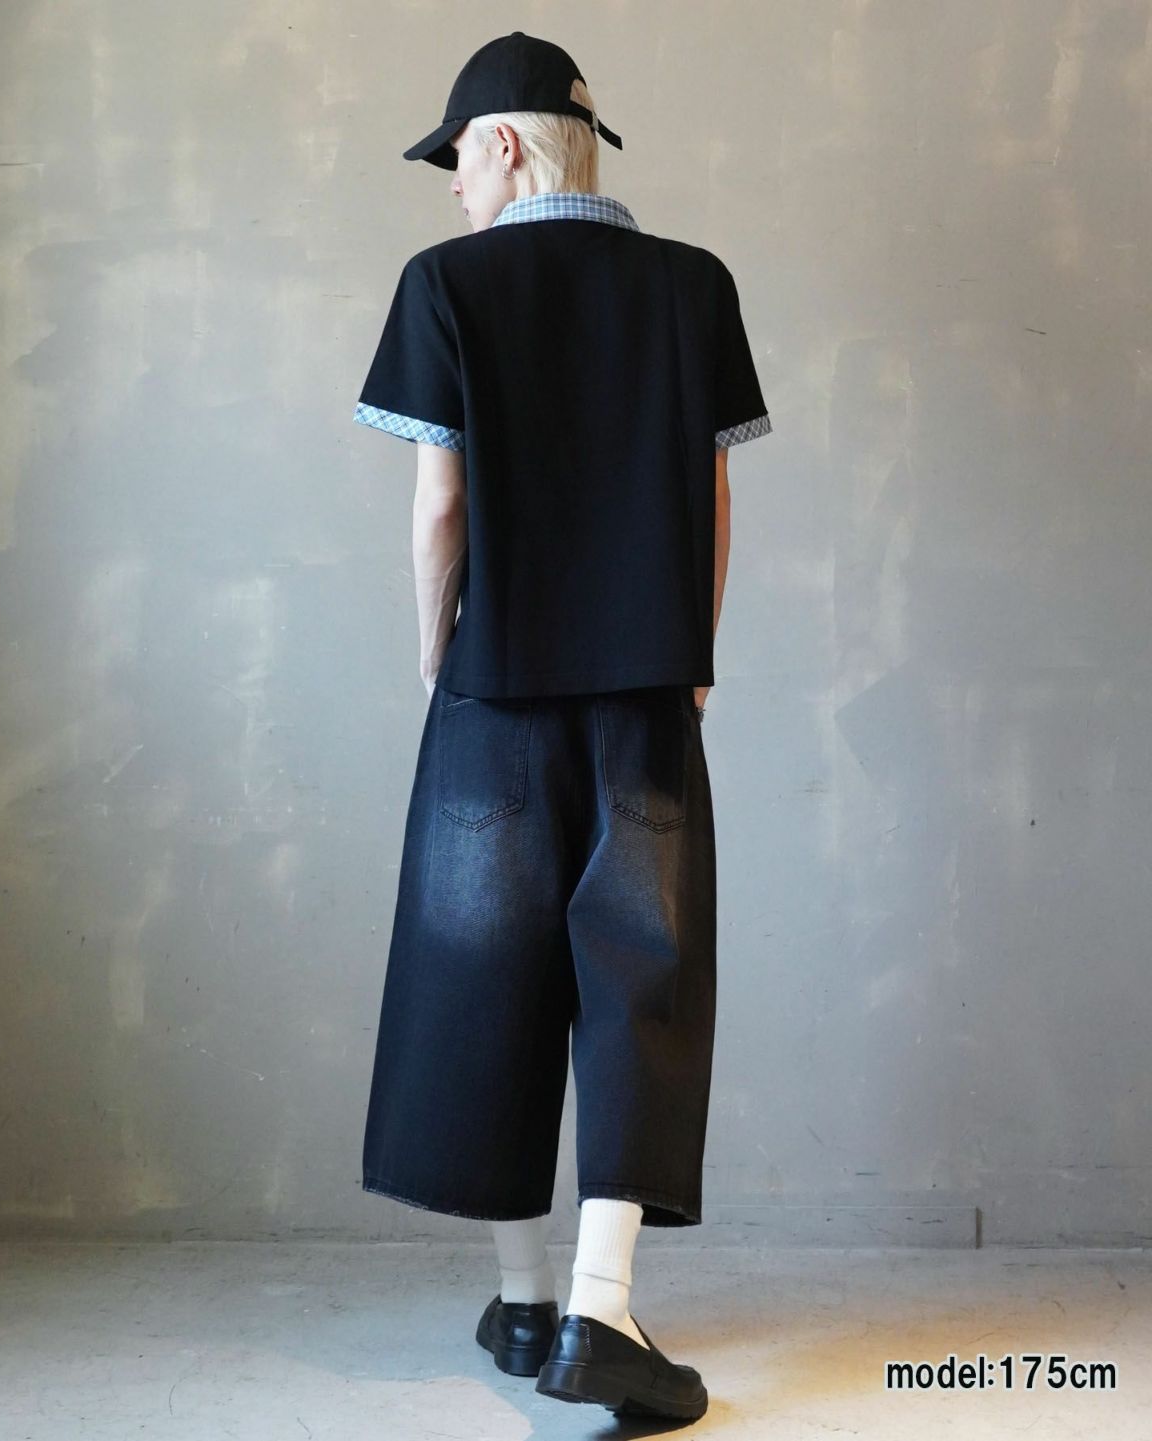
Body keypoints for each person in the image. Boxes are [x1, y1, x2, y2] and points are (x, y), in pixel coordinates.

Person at [352, 30, 771, 1422]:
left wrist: (438, 654)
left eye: (457, 160)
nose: (453, 188)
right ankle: (600, 1310)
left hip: (497, 694)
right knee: (640, 983)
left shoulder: (446, 284)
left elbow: (441, 502)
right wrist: (692, 661)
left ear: (505, 143)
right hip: (647, 696)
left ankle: (526, 1301)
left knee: (488, 977)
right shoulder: (692, 286)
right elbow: (714, 499)